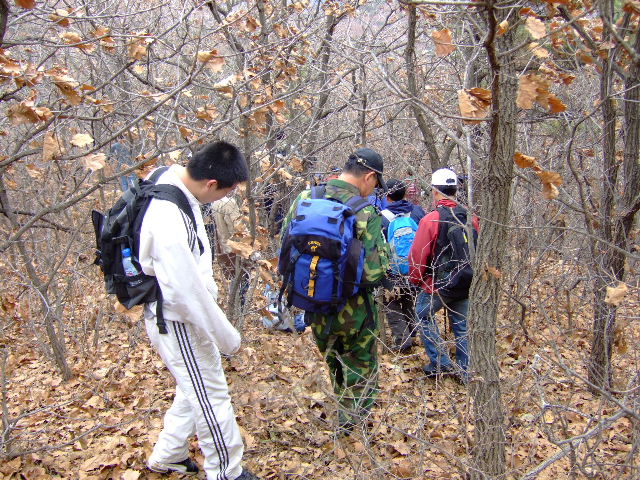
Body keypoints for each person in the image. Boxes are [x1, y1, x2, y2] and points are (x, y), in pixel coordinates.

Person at [138, 141, 260, 480]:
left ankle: (168, 456)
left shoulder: (171, 178)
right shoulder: (167, 217)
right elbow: (185, 294)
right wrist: (227, 337)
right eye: (226, 192)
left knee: (192, 387)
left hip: (182, 315)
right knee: (210, 393)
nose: (225, 198)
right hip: (179, 320)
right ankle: (227, 472)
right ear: (211, 184)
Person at [279, 147, 390, 433]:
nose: (373, 189)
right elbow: (374, 273)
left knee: (334, 362)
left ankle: (342, 416)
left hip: (314, 302)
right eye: (376, 183)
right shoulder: (364, 211)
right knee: (360, 371)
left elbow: (285, 249)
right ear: (369, 176)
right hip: (355, 312)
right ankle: (352, 430)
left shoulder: (306, 198)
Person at [408, 168, 478, 382]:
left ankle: (440, 363)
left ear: (435, 191)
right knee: (462, 326)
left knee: (422, 315)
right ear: (455, 190)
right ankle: (466, 373)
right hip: (466, 280)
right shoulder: (471, 217)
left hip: (438, 285)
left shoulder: (431, 219)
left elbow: (418, 256)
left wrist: (416, 279)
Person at [380, 179, 425, 352]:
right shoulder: (417, 212)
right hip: (415, 269)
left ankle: (401, 340)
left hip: (393, 270)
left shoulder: (381, 217)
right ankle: (413, 333)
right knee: (409, 299)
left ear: (387, 196)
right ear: (405, 193)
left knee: (391, 302)